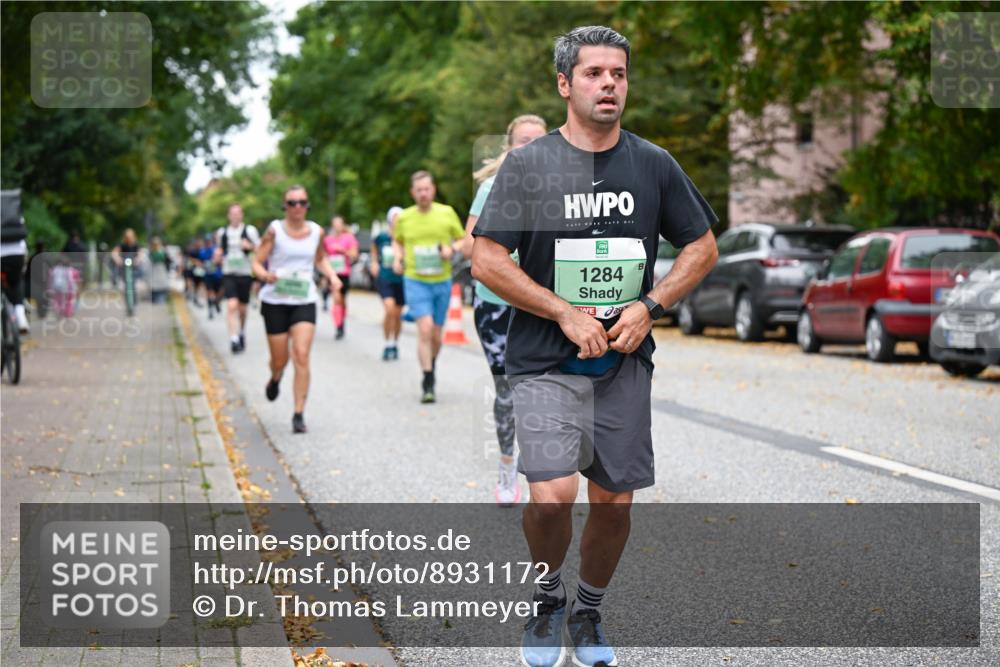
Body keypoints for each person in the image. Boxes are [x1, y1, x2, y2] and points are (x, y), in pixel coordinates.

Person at [472, 26, 718, 667]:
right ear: (565, 83)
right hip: (543, 360)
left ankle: (588, 609)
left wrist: (650, 306)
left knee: (613, 504)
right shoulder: (529, 165)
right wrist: (562, 311)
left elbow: (702, 247)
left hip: (622, 362)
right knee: (551, 497)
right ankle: (547, 596)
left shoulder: (653, 164)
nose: (609, 84)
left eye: (618, 74)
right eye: (593, 73)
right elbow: (487, 260)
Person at [460, 114, 548, 507]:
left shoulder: (560, 188)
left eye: (539, 141)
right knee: (507, 389)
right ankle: (507, 464)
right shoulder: (491, 188)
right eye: (524, 140)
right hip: (496, 305)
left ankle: (542, 468)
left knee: (543, 387)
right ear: (509, 148)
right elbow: (468, 246)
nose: (531, 147)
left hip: (541, 304)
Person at [251, 185, 342, 434]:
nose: (298, 207)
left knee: (301, 354)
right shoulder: (275, 230)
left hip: (304, 299)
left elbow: (320, 258)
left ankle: (298, 413)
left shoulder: (316, 232)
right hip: (275, 301)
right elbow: (256, 262)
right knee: (280, 359)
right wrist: (265, 276)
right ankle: (276, 376)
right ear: (285, 206)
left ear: (307, 205)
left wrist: (332, 276)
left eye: (302, 202)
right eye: (292, 203)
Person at [392, 171, 465, 403]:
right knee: (425, 328)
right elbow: (397, 241)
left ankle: (431, 364)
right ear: (412, 193)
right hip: (415, 279)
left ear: (433, 190)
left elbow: (462, 239)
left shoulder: (447, 212)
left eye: (426, 189)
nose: (423, 193)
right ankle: (427, 379)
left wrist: (451, 249)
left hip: (441, 280)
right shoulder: (404, 217)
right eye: (419, 190)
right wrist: (397, 258)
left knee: (436, 335)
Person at [214, 203, 260, 353]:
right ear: (228, 216)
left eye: (238, 213)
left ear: (242, 215)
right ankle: (233, 339)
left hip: (245, 273)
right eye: (233, 213)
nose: (235, 216)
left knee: (242, 309)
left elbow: (260, 250)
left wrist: (250, 247)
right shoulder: (222, 233)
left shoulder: (250, 230)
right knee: (231, 305)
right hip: (229, 273)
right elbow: (219, 251)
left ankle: (241, 332)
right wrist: (217, 256)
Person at [371, 206, 405, 361]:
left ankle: (394, 343)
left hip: (401, 279)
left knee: (397, 315)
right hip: (385, 277)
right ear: (390, 220)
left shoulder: (406, 237)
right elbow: (373, 247)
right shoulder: (382, 236)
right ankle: (386, 343)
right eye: (394, 218)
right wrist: (374, 263)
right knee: (389, 309)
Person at [322, 215, 359, 340]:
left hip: (344, 273)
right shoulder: (327, 239)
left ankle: (342, 323)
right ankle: (338, 327)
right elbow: (322, 256)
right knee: (336, 299)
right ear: (332, 225)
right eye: (335, 224)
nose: (337, 226)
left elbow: (354, 254)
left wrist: (343, 251)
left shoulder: (349, 238)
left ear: (343, 225)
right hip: (332, 274)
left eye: (339, 224)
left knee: (342, 301)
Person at [0, 189, 29, 333]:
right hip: (17, 255)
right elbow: (23, 241)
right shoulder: (17, 217)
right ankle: (21, 316)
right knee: (17, 281)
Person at [200, 234, 223, 319]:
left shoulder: (216, 249)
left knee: (220, 291)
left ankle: (217, 302)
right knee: (209, 292)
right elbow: (201, 262)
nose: (208, 242)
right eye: (206, 241)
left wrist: (216, 261)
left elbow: (221, 259)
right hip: (208, 275)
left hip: (218, 275)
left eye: (209, 240)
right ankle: (210, 310)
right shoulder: (202, 251)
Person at [148, 236, 172, 304]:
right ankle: (155, 298)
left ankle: (161, 298)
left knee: (161, 284)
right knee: (154, 284)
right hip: (154, 269)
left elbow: (168, 260)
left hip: (161, 269)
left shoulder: (163, 251)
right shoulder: (151, 252)